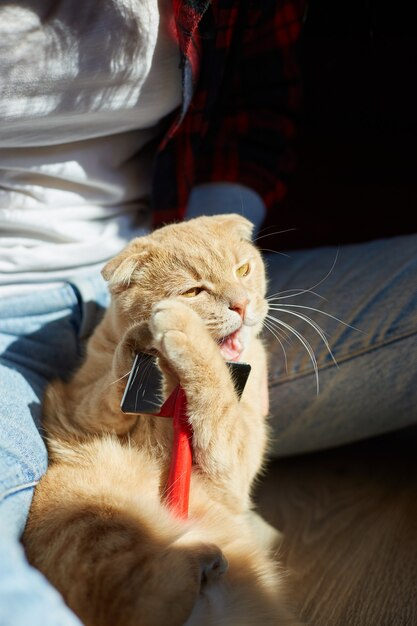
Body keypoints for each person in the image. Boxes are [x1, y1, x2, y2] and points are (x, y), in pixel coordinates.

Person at [0, 1, 416, 624]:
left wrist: (225, 279)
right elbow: (111, 421)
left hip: (174, 256)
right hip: (24, 313)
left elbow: (256, 110)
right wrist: (174, 349)